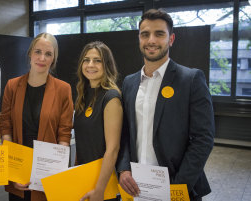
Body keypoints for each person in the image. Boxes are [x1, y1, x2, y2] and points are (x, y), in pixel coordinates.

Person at [116, 9, 215, 201]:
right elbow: (124, 133)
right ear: (139, 39)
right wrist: (124, 168)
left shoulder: (191, 79)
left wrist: (178, 187)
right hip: (136, 186)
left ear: (171, 39)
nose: (151, 40)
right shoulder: (129, 82)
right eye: (145, 34)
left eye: (159, 34)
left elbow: (203, 138)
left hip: (176, 184)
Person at [0, 32, 74, 201]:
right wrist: (13, 171)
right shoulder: (12, 86)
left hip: (47, 171)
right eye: (38, 52)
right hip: (18, 167)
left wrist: (56, 170)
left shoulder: (63, 89)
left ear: (53, 59)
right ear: (30, 53)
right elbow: (5, 126)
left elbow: (64, 133)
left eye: (48, 54)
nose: (42, 58)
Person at [74, 41, 123, 201]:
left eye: (97, 60)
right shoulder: (83, 95)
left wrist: (99, 189)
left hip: (103, 185)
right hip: (84, 178)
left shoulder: (111, 98)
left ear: (106, 65)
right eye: (86, 60)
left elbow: (113, 149)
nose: (90, 65)